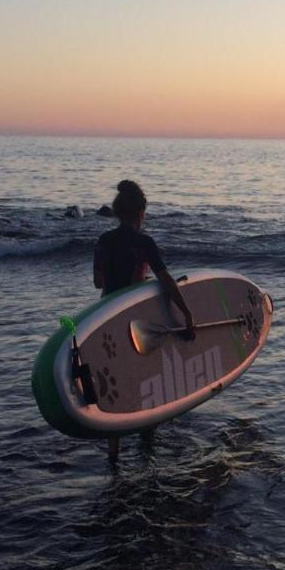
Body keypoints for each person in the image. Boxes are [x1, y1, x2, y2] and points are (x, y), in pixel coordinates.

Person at [93, 179, 195, 463]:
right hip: (134, 316)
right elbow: (167, 281)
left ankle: (113, 456)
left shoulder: (104, 240)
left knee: (115, 382)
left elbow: (97, 281)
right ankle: (146, 445)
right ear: (141, 212)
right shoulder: (144, 242)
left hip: (106, 315)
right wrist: (187, 314)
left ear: (116, 212)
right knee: (144, 375)